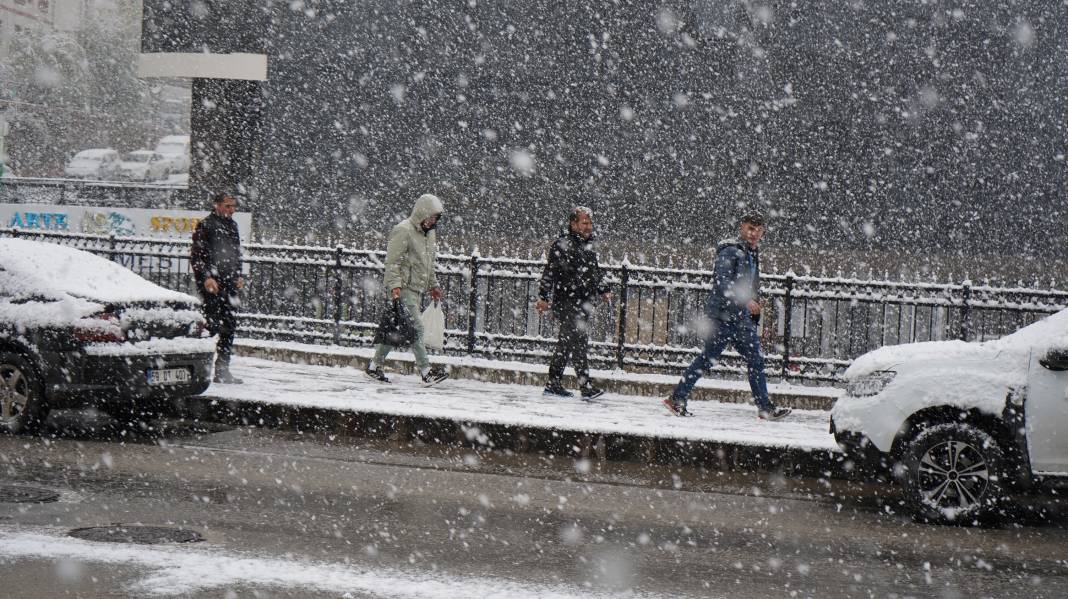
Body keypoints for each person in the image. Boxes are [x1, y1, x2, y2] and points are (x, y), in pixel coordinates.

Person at [663, 210, 791, 420]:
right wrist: (745, 301)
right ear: (742, 227)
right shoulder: (731, 251)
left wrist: (754, 304)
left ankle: (765, 407)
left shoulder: (751, 253)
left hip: (739, 319)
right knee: (708, 358)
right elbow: (723, 282)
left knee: (755, 359)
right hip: (722, 317)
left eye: (758, 230)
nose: (754, 233)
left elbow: (750, 285)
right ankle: (676, 398)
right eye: (750, 228)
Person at [365, 193, 449, 386]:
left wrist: (433, 285)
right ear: (422, 213)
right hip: (404, 288)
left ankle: (373, 366)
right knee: (417, 328)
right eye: (430, 217)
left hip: (417, 289)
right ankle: (426, 371)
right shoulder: (403, 230)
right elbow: (393, 262)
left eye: (435, 219)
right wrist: (395, 286)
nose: (432, 222)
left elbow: (428, 263)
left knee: (396, 327)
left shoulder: (429, 235)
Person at [536, 206, 612, 400]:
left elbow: (594, 271)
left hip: (583, 302)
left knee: (573, 344)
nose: (588, 226)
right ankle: (581, 387)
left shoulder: (588, 245)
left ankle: (559, 384)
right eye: (584, 223)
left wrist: (603, 289)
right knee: (572, 343)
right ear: (573, 224)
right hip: (567, 301)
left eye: (590, 223)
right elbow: (550, 272)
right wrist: (543, 297)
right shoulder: (562, 244)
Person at [191, 192, 245, 384]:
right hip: (213, 284)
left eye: (233, 206)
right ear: (217, 205)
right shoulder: (206, 225)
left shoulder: (232, 226)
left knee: (229, 326)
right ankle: (200, 369)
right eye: (228, 206)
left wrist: (239, 275)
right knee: (211, 326)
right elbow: (197, 256)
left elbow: (236, 254)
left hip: (229, 283)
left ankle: (222, 370)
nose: (232, 210)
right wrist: (206, 277)